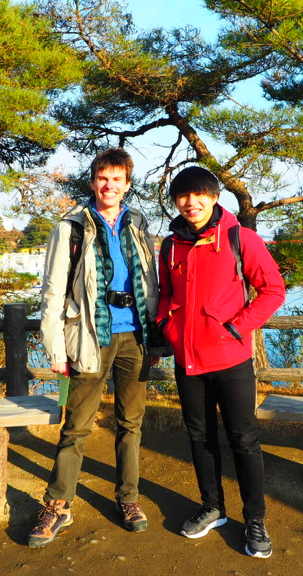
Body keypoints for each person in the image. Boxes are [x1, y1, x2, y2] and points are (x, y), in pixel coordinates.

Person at [29, 148, 166, 548]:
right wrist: (55, 348)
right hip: (90, 336)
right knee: (76, 427)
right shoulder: (70, 227)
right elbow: (53, 291)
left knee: (131, 424)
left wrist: (154, 337)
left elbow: (151, 283)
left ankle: (128, 498)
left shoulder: (138, 222)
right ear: (93, 183)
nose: (110, 186)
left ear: (127, 184)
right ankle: (58, 505)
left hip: (134, 338)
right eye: (103, 179)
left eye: (117, 179)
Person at [156, 167, 286, 559]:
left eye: (198, 195)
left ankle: (255, 520)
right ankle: (213, 507)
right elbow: (164, 293)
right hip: (188, 362)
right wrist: (167, 325)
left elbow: (273, 289)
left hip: (231, 360)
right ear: (175, 201)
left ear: (213, 197)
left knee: (243, 441)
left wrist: (237, 328)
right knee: (200, 438)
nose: (190, 203)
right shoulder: (171, 245)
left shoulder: (239, 238)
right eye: (182, 196)